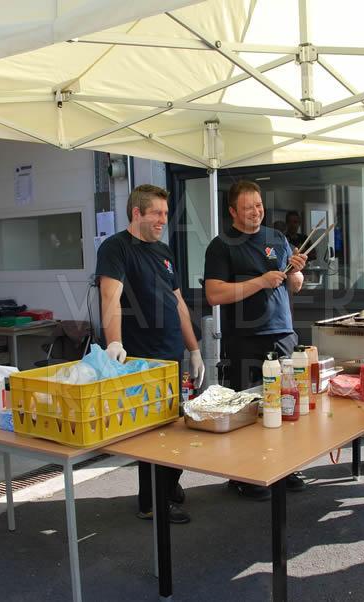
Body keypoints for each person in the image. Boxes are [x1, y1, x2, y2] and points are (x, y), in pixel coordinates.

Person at [96, 184, 205, 525]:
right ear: (136, 213)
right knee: (154, 436)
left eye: (165, 214)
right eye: (157, 213)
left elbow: (179, 303)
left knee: (177, 427)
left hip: (172, 357)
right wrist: (114, 342)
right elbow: (110, 297)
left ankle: (169, 485)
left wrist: (194, 349)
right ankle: (152, 503)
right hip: (142, 360)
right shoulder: (116, 248)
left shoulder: (163, 251)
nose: (163, 220)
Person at [204, 180, 308, 499]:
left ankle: (285, 467)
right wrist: (260, 282)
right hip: (244, 339)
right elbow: (214, 293)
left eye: (259, 205)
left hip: (282, 333)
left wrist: (296, 271)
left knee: (286, 402)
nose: (255, 212)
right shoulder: (221, 245)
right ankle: (244, 475)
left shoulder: (277, 237)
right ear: (233, 211)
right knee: (247, 409)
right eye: (248, 207)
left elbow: (295, 285)